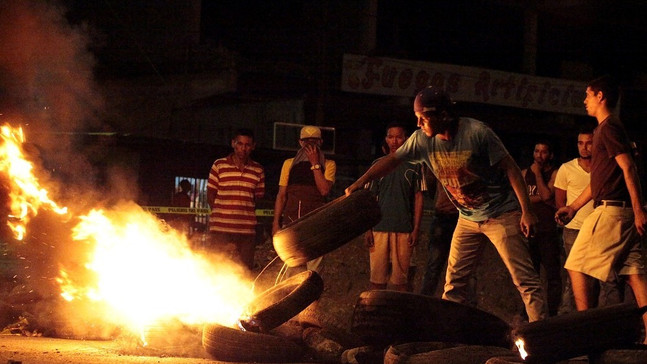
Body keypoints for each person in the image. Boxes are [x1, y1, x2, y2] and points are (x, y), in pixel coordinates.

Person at [346, 86, 547, 322]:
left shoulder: (477, 133)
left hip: (500, 214)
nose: (419, 123)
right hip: (467, 218)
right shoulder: (421, 140)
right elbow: (392, 160)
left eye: (423, 117)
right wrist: (361, 182)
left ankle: (539, 337)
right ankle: (447, 337)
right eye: (416, 117)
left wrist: (526, 211)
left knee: (524, 281)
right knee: (453, 284)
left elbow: (511, 168)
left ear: (443, 116)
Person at [555, 75, 647, 343]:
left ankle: (586, 332)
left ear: (600, 97)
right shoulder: (610, 129)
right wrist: (573, 206)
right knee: (634, 275)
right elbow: (601, 181)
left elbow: (628, 167)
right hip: (622, 211)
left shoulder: (607, 129)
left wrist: (639, 209)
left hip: (613, 212)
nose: (584, 100)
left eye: (588, 95)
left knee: (575, 265)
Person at [364, 122, 423, 291]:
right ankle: (375, 313)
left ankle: (398, 315)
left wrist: (416, 228)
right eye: (391, 137)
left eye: (398, 137)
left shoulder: (415, 165)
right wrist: (368, 228)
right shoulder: (377, 164)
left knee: (400, 282)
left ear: (405, 139)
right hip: (379, 228)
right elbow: (369, 198)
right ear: (386, 140)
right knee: (376, 280)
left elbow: (419, 197)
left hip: (403, 228)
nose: (394, 141)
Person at [272, 125, 336, 273]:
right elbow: (281, 195)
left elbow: (324, 190)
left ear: (320, 142)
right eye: (307, 142)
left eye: (314, 142)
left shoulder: (328, 164)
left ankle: (313, 296)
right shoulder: (289, 164)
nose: (310, 146)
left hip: (315, 224)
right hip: (291, 222)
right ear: (301, 142)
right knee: (292, 269)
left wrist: (315, 164)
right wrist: (276, 222)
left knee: (314, 270)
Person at [207, 128, 265, 270]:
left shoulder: (258, 170)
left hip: (246, 231)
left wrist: (244, 211)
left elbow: (258, 198)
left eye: (247, 145)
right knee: (216, 269)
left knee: (244, 271)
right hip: (220, 229)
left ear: (253, 147)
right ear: (233, 143)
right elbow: (210, 194)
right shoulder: (219, 165)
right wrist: (220, 214)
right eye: (240, 144)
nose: (243, 148)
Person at [521, 140, 561, 316]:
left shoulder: (555, 173)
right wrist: (537, 198)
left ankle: (553, 312)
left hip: (548, 230)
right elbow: (519, 199)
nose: (539, 155)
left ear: (550, 155)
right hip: (530, 231)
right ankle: (528, 311)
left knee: (552, 274)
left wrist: (537, 175)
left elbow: (546, 195)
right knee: (530, 274)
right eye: (536, 151)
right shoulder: (523, 174)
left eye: (544, 152)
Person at [419, 175, 460, 298]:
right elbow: (430, 184)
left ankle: (425, 302)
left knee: (435, 265)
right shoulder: (438, 159)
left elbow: (430, 186)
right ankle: (425, 301)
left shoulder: (438, 158)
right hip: (447, 214)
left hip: (454, 215)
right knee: (437, 265)